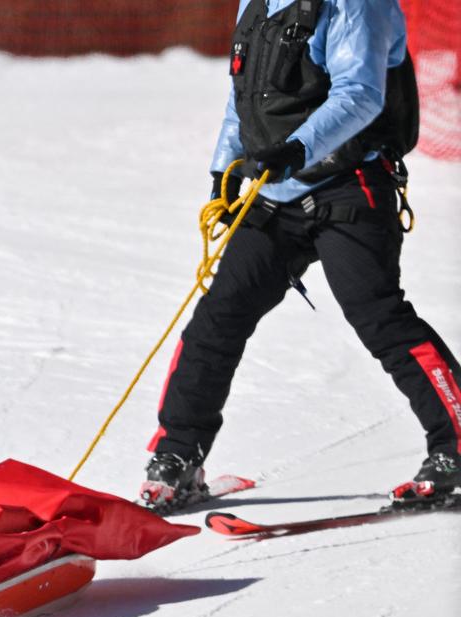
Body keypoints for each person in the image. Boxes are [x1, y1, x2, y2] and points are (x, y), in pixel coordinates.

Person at [141, 0, 461, 510]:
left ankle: (455, 447)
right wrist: (223, 171)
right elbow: (242, 97)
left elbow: (361, 95)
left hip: (350, 186)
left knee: (377, 315)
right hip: (276, 194)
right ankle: (178, 456)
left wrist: (295, 149)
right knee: (218, 318)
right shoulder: (257, 3)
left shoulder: (358, 5)